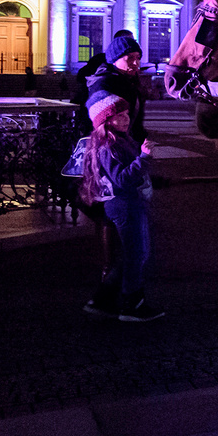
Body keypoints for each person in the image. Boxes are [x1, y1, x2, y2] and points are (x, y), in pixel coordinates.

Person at [79, 91, 163, 321]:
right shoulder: (108, 146)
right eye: (119, 115)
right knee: (137, 255)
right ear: (106, 120)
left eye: (127, 114)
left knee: (133, 255)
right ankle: (131, 305)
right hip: (124, 205)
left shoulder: (120, 141)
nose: (126, 118)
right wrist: (144, 157)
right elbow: (123, 179)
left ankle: (103, 300)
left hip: (127, 203)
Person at [87, 30, 148, 142]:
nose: (136, 63)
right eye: (129, 58)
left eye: (138, 57)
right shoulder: (103, 84)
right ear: (114, 60)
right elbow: (103, 124)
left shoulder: (129, 80)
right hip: (112, 146)